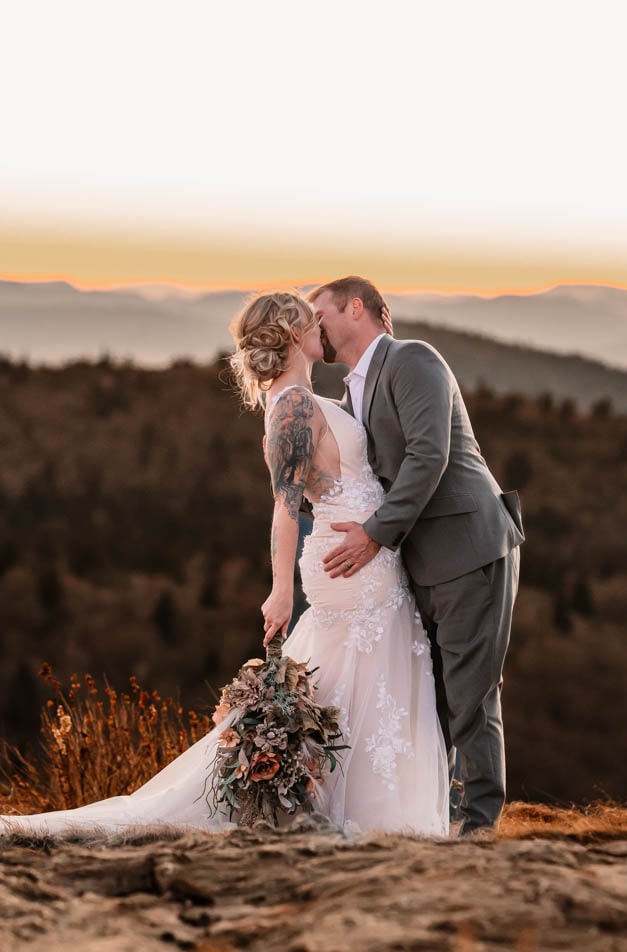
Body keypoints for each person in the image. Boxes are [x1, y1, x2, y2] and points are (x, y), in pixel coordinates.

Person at [1, 291, 449, 839]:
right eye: (311, 322)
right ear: (290, 335)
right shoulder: (290, 407)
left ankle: (356, 811)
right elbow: (286, 507)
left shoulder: (304, 398)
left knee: (356, 687)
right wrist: (280, 588)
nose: (321, 331)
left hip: (368, 559)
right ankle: (365, 819)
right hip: (346, 567)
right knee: (361, 680)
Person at [307, 276, 524, 837]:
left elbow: (429, 455)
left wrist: (374, 534)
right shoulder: (353, 390)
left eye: (320, 312)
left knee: (470, 694)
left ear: (357, 308)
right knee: (434, 699)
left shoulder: (412, 360)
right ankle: (439, 814)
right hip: (417, 565)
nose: (316, 326)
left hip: (467, 548)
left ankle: (477, 827)